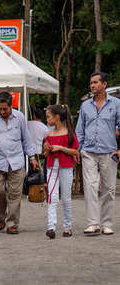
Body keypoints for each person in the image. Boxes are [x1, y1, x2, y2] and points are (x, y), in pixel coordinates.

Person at [0, 92, 38, 234]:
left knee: (15, 194)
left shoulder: (20, 117)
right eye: (0, 109)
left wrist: (32, 157)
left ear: (11, 106)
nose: (3, 112)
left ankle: (12, 224)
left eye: (5, 109)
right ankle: (0, 217)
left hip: (16, 162)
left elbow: (26, 139)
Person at [76, 72, 120, 236]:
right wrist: (78, 149)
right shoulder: (85, 105)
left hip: (109, 152)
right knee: (90, 187)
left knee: (109, 189)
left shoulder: (116, 104)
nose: (92, 85)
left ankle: (107, 223)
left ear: (104, 84)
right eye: (91, 83)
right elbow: (80, 130)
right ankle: (93, 223)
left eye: (95, 82)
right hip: (88, 152)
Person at [43, 104, 79, 239]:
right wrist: (47, 148)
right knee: (51, 196)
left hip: (66, 167)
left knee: (65, 198)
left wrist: (61, 148)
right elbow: (46, 155)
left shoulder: (70, 133)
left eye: (48, 117)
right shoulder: (49, 134)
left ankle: (67, 226)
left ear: (56, 117)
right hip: (51, 167)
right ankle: (51, 226)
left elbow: (75, 151)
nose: (47, 119)